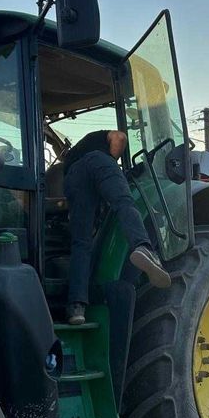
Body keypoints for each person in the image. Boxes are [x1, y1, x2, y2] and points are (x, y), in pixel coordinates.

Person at [63, 129, 171, 325]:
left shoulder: (70, 160)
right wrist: (113, 162)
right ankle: (144, 248)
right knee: (123, 203)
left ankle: (77, 307)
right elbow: (119, 137)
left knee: (81, 243)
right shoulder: (97, 140)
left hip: (73, 178)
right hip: (99, 162)